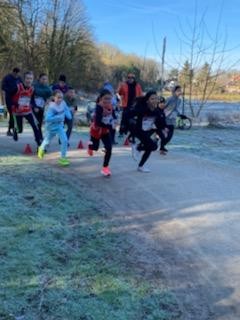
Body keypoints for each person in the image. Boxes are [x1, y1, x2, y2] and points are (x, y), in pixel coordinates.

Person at [130, 90, 166, 173]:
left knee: (152, 147)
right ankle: (137, 147)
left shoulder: (157, 111)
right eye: (152, 99)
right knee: (152, 146)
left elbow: (159, 123)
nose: (155, 100)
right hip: (138, 131)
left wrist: (163, 129)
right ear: (147, 100)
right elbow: (129, 115)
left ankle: (140, 165)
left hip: (147, 131)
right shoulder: (142, 109)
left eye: (156, 99)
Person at [38, 90, 72, 166]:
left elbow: (66, 109)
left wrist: (69, 115)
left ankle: (63, 158)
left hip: (59, 126)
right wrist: (58, 117)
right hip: (51, 126)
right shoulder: (51, 107)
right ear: (54, 97)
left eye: (61, 98)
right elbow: (47, 118)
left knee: (65, 140)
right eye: (58, 97)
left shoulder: (63, 103)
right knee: (47, 140)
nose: (60, 99)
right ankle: (41, 148)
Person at [87, 89, 117, 176]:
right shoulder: (99, 107)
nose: (107, 101)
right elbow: (98, 123)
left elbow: (113, 114)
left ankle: (105, 168)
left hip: (105, 131)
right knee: (95, 147)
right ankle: (89, 145)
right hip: (96, 130)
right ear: (101, 98)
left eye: (109, 99)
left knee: (109, 148)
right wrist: (109, 126)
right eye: (105, 99)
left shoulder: (110, 105)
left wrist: (115, 121)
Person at [11, 71, 41, 147]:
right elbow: (9, 98)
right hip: (17, 111)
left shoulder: (32, 89)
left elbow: (32, 100)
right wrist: (15, 104)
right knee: (20, 130)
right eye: (27, 78)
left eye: (31, 79)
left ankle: (39, 143)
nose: (29, 80)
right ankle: (15, 130)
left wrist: (35, 106)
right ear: (24, 79)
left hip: (27, 111)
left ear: (33, 80)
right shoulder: (17, 87)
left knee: (35, 125)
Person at [1, 67, 22, 136]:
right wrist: (4, 101)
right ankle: (10, 130)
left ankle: (12, 129)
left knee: (15, 114)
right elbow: (3, 89)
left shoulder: (19, 78)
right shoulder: (7, 78)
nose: (17, 76)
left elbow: (22, 87)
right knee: (12, 114)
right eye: (16, 74)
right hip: (9, 99)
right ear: (14, 72)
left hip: (17, 99)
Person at [33, 73, 52, 141]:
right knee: (36, 123)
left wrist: (47, 101)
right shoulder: (35, 86)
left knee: (39, 123)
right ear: (39, 79)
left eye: (46, 79)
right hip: (34, 107)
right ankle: (39, 138)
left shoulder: (47, 88)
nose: (44, 80)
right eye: (43, 79)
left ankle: (39, 137)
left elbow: (50, 96)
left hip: (42, 108)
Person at [163, 85, 182, 149]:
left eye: (180, 90)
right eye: (178, 91)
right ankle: (160, 146)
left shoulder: (179, 100)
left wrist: (180, 114)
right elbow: (163, 107)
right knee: (163, 133)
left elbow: (176, 109)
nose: (180, 92)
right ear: (174, 92)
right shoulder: (169, 99)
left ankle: (161, 145)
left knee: (170, 135)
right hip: (166, 118)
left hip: (173, 119)